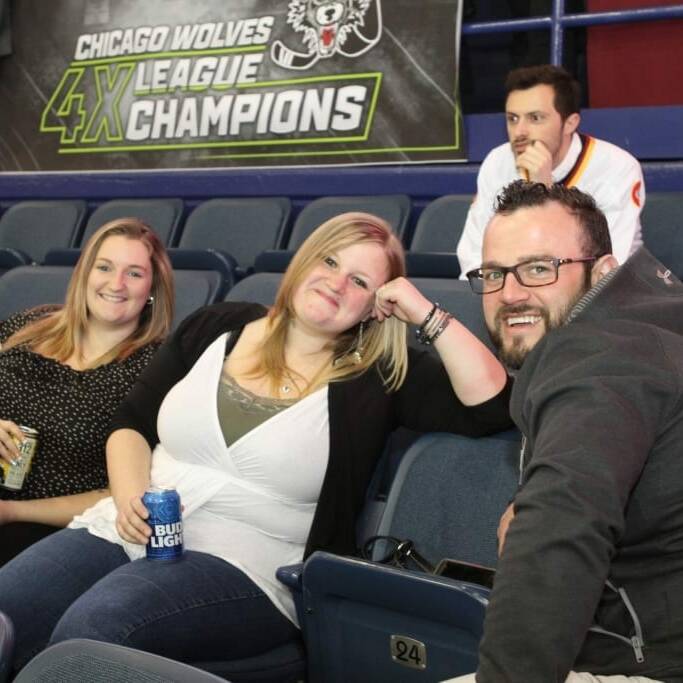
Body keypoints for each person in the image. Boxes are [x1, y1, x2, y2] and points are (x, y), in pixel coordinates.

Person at [0, 212, 512, 674]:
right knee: (7, 610)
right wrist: (132, 493)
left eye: (359, 280)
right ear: (305, 260)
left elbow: (491, 405)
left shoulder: (379, 377)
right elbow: (132, 424)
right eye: (329, 261)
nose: (335, 283)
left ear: (377, 305)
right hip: (130, 527)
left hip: (249, 563)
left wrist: (425, 313)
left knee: (95, 629)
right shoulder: (217, 325)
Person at [450, 181, 683, 682]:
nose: (510, 294)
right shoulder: (653, 321)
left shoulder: (595, 359)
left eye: (539, 268)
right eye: (494, 274)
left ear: (603, 271)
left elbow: (558, 535)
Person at [0, 218, 174, 566]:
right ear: (85, 273)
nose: (116, 284)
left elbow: (129, 494)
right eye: (105, 267)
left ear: (153, 288)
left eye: (135, 273)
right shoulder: (28, 325)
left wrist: (12, 512)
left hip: (61, 530)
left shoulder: (158, 369)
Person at [457, 64, 645, 277]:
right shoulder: (497, 161)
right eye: (513, 118)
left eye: (535, 118)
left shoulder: (616, 166)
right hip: (514, 289)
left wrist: (544, 191)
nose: (519, 132)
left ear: (570, 123)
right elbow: (473, 253)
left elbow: (605, 265)